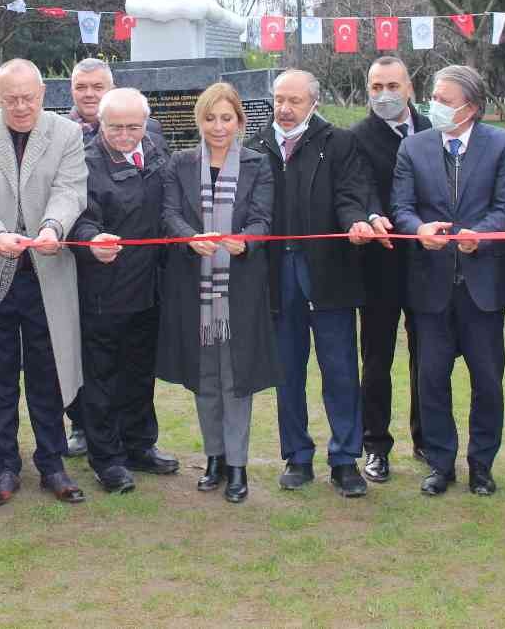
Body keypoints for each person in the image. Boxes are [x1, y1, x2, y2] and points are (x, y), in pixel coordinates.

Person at [0, 59, 89, 508]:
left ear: (42, 94)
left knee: (47, 373)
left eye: (28, 98)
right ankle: (5, 466)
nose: (19, 106)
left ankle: (53, 464)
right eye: (10, 98)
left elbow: (70, 189)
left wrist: (53, 227)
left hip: (45, 272)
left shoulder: (68, 135)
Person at [391, 64, 505, 497]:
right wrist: (418, 230)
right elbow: (402, 206)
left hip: (483, 287)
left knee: (487, 380)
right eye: (435, 97)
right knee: (430, 379)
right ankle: (440, 463)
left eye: (446, 101)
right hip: (429, 287)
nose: (436, 106)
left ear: (472, 108)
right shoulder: (413, 148)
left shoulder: (504, 145)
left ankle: (482, 465)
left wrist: (480, 237)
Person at [245, 69, 377, 498]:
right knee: (287, 370)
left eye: (294, 101)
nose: (284, 109)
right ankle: (297, 456)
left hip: (328, 273)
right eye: (279, 99)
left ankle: (344, 460)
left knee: (339, 369)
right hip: (275, 276)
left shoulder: (339, 143)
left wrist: (356, 220)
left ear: (313, 103)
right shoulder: (257, 145)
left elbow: (351, 195)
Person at [157, 82, 276, 503]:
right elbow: (169, 213)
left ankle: (238, 466)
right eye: (210, 118)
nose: (218, 126)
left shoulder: (258, 164)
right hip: (193, 291)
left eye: (226, 118)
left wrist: (247, 239)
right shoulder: (180, 162)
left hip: (239, 291)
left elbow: (264, 219)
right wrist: (190, 237)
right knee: (205, 380)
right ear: (199, 121)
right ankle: (214, 458)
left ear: (239, 120)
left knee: (235, 381)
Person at [69, 88, 179, 494]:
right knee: (101, 378)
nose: (125, 135)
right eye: (115, 127)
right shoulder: (85, 162)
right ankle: (107, 458)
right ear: (100, 123)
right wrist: (91, 239)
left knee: (140, 372)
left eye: (133, 126)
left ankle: (139, 445)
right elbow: (77, 217)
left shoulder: (156, 148)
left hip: (150, 287)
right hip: (104, 289)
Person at [350, 56, 427, 482]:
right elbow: (358, 186)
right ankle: (375, 445)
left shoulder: (433, 127)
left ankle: (427, 439)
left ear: (410, 87)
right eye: (376, 87)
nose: (384, 95)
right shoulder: (358, 136)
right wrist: (373, 213)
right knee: (377, 359)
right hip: (379, 264)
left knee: (429, 356)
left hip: (428, 262)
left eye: (392, 85)